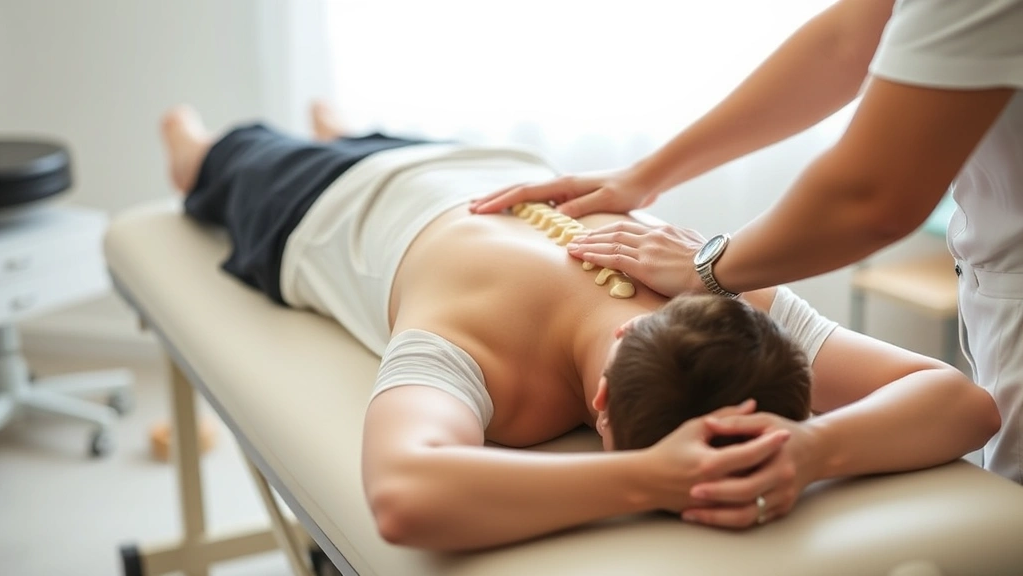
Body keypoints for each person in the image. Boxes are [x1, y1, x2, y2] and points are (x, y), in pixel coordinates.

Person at [160, 101, 998, 551]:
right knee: (213, 162)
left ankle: (340, 128)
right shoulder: (472, 343)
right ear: (601, 406)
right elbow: (405, 497)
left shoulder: (725, 303)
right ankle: (193, 133)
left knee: (368, 137)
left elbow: (964, 404)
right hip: (330, 203)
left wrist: (814, 448)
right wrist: (652, 480)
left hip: (493, 180)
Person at [470, 0, 1023, 485]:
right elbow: (850, 39)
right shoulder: (742, 314)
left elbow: (871, 198)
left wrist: (709, 268)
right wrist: (646, 175)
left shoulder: (741, 309)